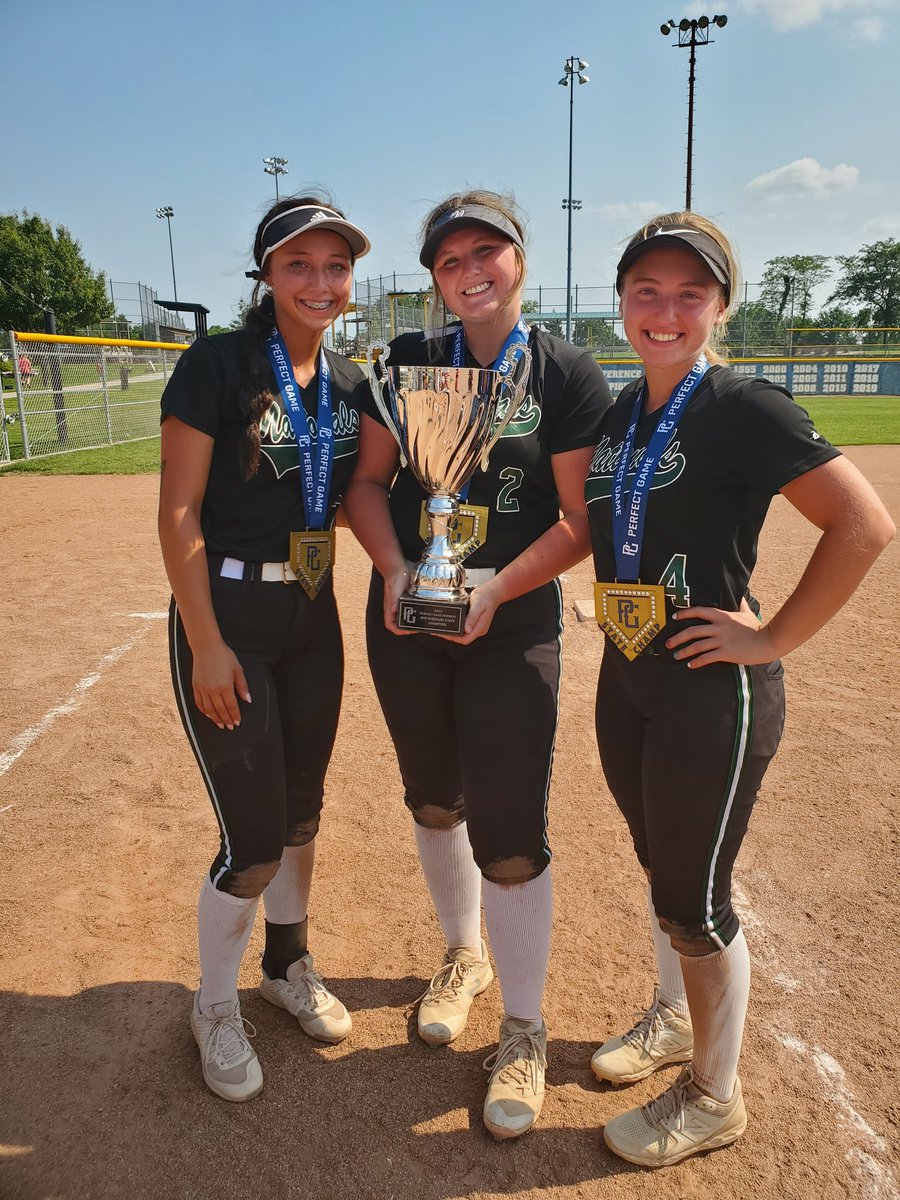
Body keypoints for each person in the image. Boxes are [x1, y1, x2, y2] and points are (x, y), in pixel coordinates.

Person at [584, 212, 894, 1168]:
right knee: (660, 867)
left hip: (709, 690)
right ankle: (675, 1019)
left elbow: (863, 523)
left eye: (690, 293)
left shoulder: (742, 404)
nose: (665, 310)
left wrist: (771, 636)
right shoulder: (617, 411)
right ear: (623, 301)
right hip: (628, 671)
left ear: (721, 303)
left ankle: (714, 1096)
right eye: (647, 291)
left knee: (695, 894)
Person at [344, 190, 613, 1139]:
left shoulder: (568, 373)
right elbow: (368, 484)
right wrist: (394, 567)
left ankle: (525, 1030)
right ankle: (463, 955)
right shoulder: (406, 363)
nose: (469, 271)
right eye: (449, 260)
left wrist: (494, 587)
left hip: (513, 619)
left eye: (485, 252)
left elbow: (583, 519)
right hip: (410, 615)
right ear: (434, 278)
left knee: (508, 830)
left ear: (518, 260)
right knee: (431, 798)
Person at [158, 194, 371, 1102]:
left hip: (311, 620)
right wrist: (205, 643)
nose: (320, 283)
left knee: (299, 817)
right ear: (267, 274)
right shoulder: (217, 365)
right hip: (231, 623)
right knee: (250, 842)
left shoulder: (351, 382)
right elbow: (176, 513)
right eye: (299, 266)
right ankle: (213, 1004)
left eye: (335, 267)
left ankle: (288, 966)